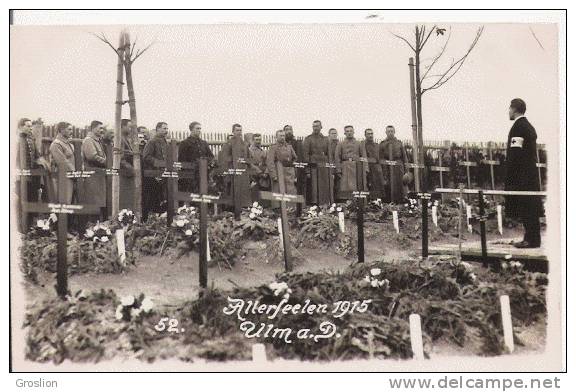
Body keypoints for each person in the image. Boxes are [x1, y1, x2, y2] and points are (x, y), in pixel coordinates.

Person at [505, 98, 544, 248]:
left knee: (527, 207)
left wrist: (512, 176)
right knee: (531, 207)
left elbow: (515, 153)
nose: (508, 111)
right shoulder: (528, 126)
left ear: (514, 109)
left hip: (522, 176)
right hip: (530, 174)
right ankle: (533, 238)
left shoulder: (519, 127)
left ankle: (531, 240)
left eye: (509, 108)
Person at [16, 118, 50, 231]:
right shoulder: (14, 140)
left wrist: (42, 162)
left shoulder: (31, 140)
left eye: (31, 126)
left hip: (31, 177)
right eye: (28, 126)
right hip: (18, 177)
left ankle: (29, 228)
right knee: (20, 202)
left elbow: (37, 156)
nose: (30, 128)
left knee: (32, 200)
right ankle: (20, 228)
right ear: (21, 127)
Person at [218, 123, 252, 207]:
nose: (239, 132)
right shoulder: (228, 143)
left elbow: (249, 157)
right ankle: (231, 208)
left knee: (243, 190)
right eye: (237, 130)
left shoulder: (244, 144)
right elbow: (224, 158)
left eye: (240, 130)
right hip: (233, 171)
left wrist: (246, 162)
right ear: (233, 131)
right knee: (232, 190)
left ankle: (244, 207)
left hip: (243, 172)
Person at [178, 121, 215, 194]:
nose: (199, 130)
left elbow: (211, 157)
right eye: (197, 128)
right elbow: (182, 160)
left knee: (204, 195)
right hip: (191, 175)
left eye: (200, 129)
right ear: (191, 129)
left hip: (203, 174)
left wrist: (207, 162)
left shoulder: (203, 143)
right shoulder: (185, 143)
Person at [142, 122, 169, 217]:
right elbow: (146, 157)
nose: (166, 131)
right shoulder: (152, 142)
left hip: (163, 174)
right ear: (157, 129)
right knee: (151, 199)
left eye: (167, 129)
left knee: (162, 199)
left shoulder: (165, 142)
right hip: (152, 175)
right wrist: (158, 164)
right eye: (164, 128)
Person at [80, 120, 107, 216]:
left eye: (102, 128)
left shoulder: (97, 140)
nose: (102, 130)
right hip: (92, 175)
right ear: (93, 128)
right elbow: (92, 156)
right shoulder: (88, 140)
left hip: (98, 175)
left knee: (99, 203)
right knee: (93, 202)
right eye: (100, 128)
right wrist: (107, 162)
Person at [266, 129, 298, 208]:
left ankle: (290, 207)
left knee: (290, 189)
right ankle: (277, 208)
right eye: (280, 136)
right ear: (276, 137)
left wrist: (292, 168)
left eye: (283, 135)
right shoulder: (273, 147)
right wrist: (273, 175)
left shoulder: (289, 147)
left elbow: (295, 158)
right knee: (278, 190)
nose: (282, 137)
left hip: (289, 173)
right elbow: (270, 162)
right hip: (278, 172)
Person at [302, 120, 331, 205]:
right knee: (314, 188)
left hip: (324, 168)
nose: (315, 128)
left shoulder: (326, 139)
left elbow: (329, 155)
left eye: (317, 126)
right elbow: (305, 156)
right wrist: (307, 170)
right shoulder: (308, 139)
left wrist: (331, 169)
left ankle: (324, 205)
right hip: (313, 167)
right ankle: (314, 206)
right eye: (314, 126)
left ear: (321, 127)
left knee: (324, 187)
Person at [334, 125, 368, 197]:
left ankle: (356, 200)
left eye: (351, 131)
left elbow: (364, 157)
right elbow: (337, 157)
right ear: (344, 133)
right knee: (345, 185)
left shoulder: (359, 143)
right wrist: (338, 169)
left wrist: (365, 168)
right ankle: (346, 201)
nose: (349, 133)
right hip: (345, 167)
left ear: (353, 132)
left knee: (356, 185)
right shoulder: (340, 144)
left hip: (357, 167)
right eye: (347, 131)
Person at [49, 121, 76, 204]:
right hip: (61, 177)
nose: (72, 132)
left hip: (71, 176)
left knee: (71, 202)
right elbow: (62, 162)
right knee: (63, 202)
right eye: (69, 129)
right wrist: (74, 172)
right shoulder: (56, 144)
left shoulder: (69, 144)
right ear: (61, 130)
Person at [379, 125, 408, 203]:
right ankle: (388, 204)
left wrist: (406, 171)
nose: (390, 133)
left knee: (399, 186)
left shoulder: (399, 143)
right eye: (388, 131)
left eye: (392, 131)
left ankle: (400, 203)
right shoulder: (382, 144)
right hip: (387, 167)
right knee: (388, 186)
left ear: (394, 132)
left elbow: (404, 157)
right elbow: (380, 158)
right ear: (386, 132)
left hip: (398, 167)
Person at [361, 128, 385, 200]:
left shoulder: (377, 145)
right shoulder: (362, 145)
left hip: (377, 168)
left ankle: (377, 202)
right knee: (368, 185)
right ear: (365, 135)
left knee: (378, 186)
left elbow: (381, 157)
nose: (370, 135)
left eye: (371, 133)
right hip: (367, 167)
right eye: (368, 134)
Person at [119, 119, 136, 210]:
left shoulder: (126, 139)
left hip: (127, 173)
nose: (131, 129)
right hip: (124, 173)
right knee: (125, 200)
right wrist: (131, 169)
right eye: (129, 127)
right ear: (122, 126)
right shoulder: (120, 139)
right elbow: (120, 158)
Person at [248, 133, 269, 201]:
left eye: (259, 140)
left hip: (263, 176)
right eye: (256, 140)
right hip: (253, 175)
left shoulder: (263, 151)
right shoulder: (249, 151)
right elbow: (250, 163)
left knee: (264, 191)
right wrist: (259, 172)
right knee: (254, 191)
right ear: (252, 140)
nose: (258, 141)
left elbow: (268, 163)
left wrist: (266, 173)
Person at [328, 128, 340, 201]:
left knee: (338, 185)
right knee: (330, 185)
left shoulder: (340, 144)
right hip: (330, 167)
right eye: (332, 133)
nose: (334, 135)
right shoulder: (328, 144)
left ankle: (337, 200)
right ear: (329, 135)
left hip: (338, 167)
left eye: (335, 133)